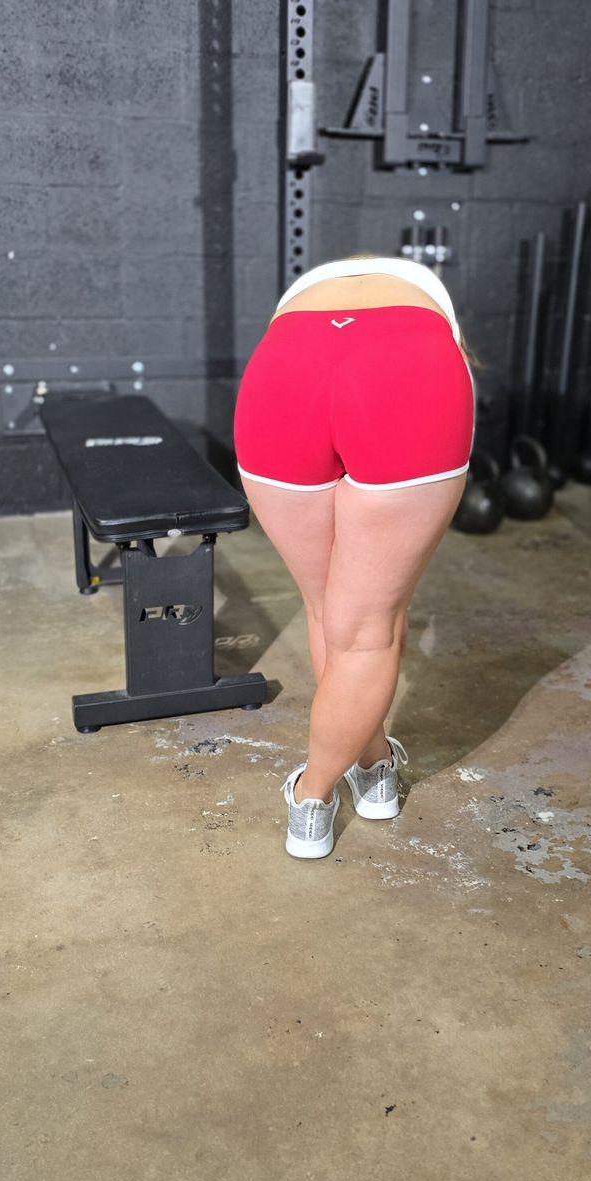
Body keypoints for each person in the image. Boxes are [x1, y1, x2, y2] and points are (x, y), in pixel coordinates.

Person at [232, 253, 481, 860]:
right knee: (369, 630)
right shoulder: (422, 300)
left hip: (286, 367)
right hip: (407, 363)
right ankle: (315, 796)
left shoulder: (303, 301)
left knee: (327, 610)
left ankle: (372, 766)